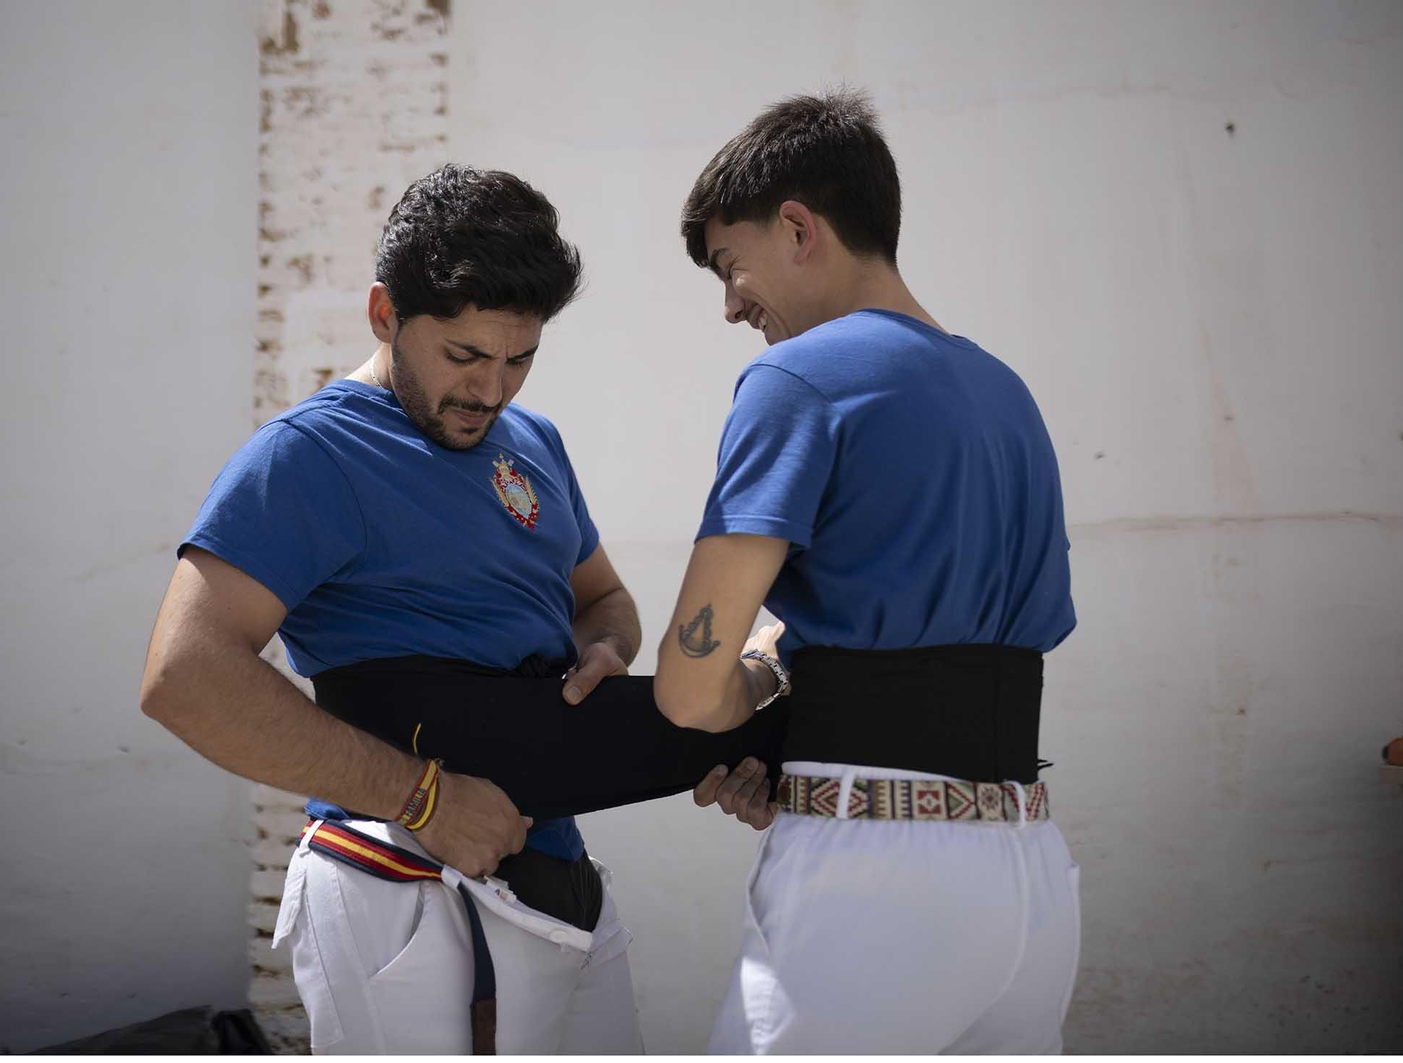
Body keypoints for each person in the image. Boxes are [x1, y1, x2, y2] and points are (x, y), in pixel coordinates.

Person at [139, 165, 648, 1054]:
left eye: (519, 358)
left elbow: (602, 597)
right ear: (385, 315)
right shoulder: (310, 455)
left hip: (562, 876)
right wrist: (421, 798)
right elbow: (185, 675)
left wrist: (604, 647)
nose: (492, 390)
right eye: (463, 356)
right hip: (400, 885)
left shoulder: (534, 443)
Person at [654, 89, 1081, 1054]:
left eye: (732, 266)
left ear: (799, 227)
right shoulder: (1006, 393)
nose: (730, 306)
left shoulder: (796, 378)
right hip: (1030, 873)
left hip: (872, 878)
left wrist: (759, 684)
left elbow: (689, 689)